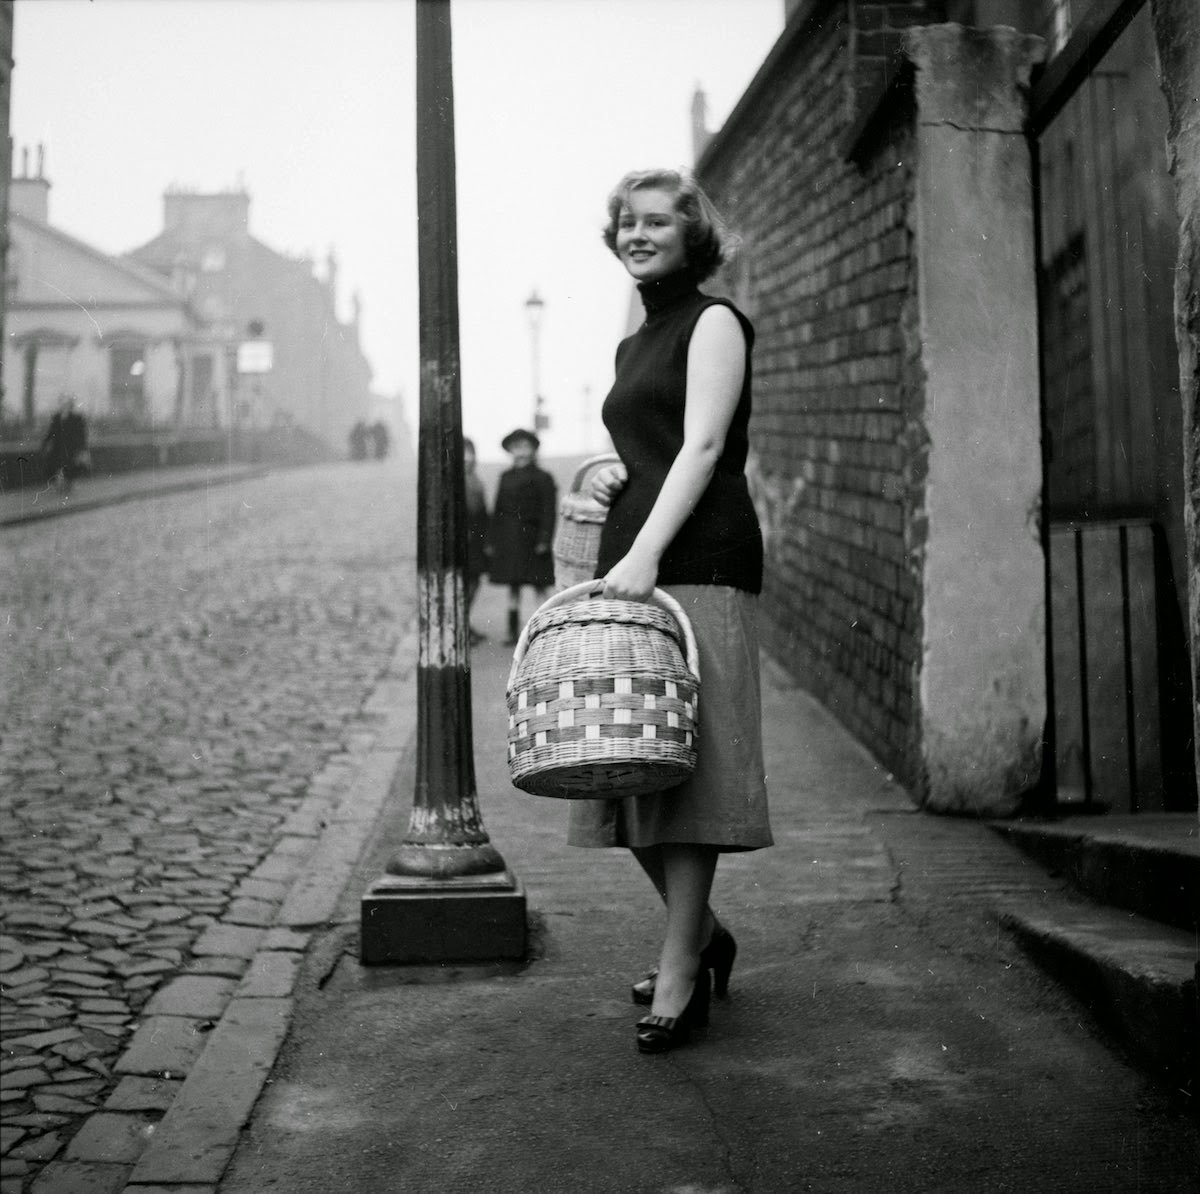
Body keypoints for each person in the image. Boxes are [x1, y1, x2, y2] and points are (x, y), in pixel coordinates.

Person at [568, 168, 772, 1055]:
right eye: (627, 223)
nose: (639, 234)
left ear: (694, 234)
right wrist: (596, 475)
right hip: (634, 555)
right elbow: (642, 446)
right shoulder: (635, 342)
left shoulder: (715, 321)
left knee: (688, 773)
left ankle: (682, 965)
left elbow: (704, 445)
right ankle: (705, 934)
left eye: (658, 221)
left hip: (695, 555)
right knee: (622, 763)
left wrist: (648, 550)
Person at [486, 428, 557, 644]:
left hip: (534, 539)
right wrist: (491, 539)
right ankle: (512, 631)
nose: (521, 452)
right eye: (517, 447)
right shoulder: (505, 477)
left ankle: (546, 628)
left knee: (539, 584)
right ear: (510, 451)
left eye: (525, 447)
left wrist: (544, 539)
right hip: (510, 539)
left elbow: (548, 510)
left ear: (534, 450)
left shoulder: (543, 477)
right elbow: (497, 510)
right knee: (513, 585)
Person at [462, 436, 490, 644]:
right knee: (465, 585)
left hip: (476, 542)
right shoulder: (457, 481)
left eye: (470, 453)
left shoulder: (475, 480)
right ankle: (462, 628)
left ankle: (465, 625)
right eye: (464, 453)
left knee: (474, 583)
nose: (468, 458)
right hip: (464, 542)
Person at [41, 395, 89, 497]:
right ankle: (58, 486)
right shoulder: (56, 417)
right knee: (52, 465)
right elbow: (51, 432)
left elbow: (82, 434)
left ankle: (68, 486)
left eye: (67, 404)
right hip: (58, 447)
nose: (64, 406)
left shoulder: (77, 418)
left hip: (71, 448)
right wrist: (45, 443)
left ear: (71, 406)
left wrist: (82, 448)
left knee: (70, 467)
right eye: (63, 404)